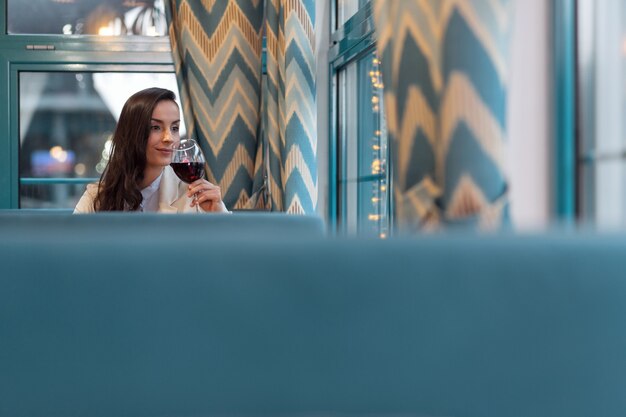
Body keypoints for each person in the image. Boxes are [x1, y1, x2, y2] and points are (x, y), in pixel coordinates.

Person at [74, 87, 229, 213]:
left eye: (174, 128)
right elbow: (72, 246)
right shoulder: (96, 198)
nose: (169, 137)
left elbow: (226, 248)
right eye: (155, 127)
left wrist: (217, 214)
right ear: (132, 133)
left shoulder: (192, 196)